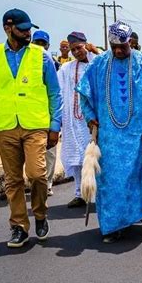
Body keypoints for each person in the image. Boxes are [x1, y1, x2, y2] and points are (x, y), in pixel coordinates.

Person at [76, 21, 142, 243]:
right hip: (109, 138)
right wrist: (91, 116)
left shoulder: (141, 62)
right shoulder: (100, 63)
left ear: (130, 42)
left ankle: (134, 214)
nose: (119, 51)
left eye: (123, 46)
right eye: (115, 47)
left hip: (137, 136)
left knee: (135, 177)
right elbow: (84, 92)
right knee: (110, 182)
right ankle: (111, 226)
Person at [0, 9, 62, 248]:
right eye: (23, 28)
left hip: (36, 125)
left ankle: (40, 214)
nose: (28, 32)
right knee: (13, 180)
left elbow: (54, 93)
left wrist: (54, 125)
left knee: (37, 175)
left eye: (29, 28)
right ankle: (18, 227)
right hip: (6, 127)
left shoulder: (42, 56)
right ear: (8, 28)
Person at [57, 31, 97, 208]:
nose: (76, 52)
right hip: (73, 121)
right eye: (73, 50)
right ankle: (79, 194)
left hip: (93, 120)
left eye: (79, 48)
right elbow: (58, 93)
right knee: (76, 160)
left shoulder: (97, 63)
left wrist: (95, 52)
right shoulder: (66, 68)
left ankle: (98, 195)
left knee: (95, 158)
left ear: (86, 45)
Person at [32, 29, 60, 196]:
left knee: (49, 152)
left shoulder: (54, 64)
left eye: (43, 44)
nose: (40, 46)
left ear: (48, 45)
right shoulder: (24, 62)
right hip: (30, 116)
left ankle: (47, 184)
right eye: (37, 43)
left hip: (49, 116)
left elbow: (57, 93)